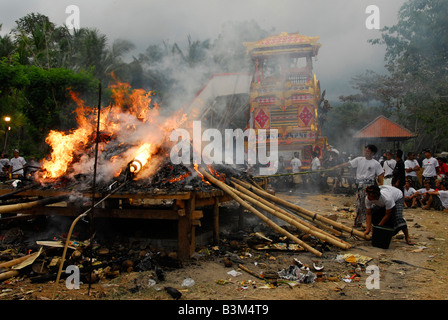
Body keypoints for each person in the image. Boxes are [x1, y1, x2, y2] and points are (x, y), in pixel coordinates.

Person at [343, 144, 384, 227]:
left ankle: (367, 223)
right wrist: (336, 167)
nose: (366, 152)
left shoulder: (376, 163)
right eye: (366, 150)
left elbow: (381, 174)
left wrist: (381, 186)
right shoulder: (359, 159)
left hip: (369, 186)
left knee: (367, 204)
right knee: (359, 203)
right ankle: (359, 221)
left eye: (368, 151)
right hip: (360, 185)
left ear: (372, 153)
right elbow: (348, 164)